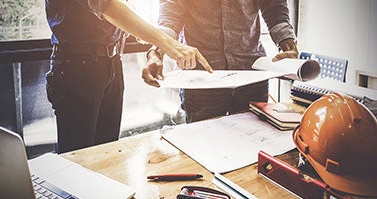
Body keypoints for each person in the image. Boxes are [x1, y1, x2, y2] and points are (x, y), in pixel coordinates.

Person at [44, 0, 213, 153]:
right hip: (77, 67)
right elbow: (107, 5)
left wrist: (149, 39)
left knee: (107, 153)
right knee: (78, 158)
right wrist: (168, 44)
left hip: (111, 62)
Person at [142, 0, 299, 123]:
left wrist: (288, 43)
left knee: (254, 144)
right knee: (202, 147)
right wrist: (157, 52)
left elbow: (274, 6)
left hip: (251, 73)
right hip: (201, 79)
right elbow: (170, 15)